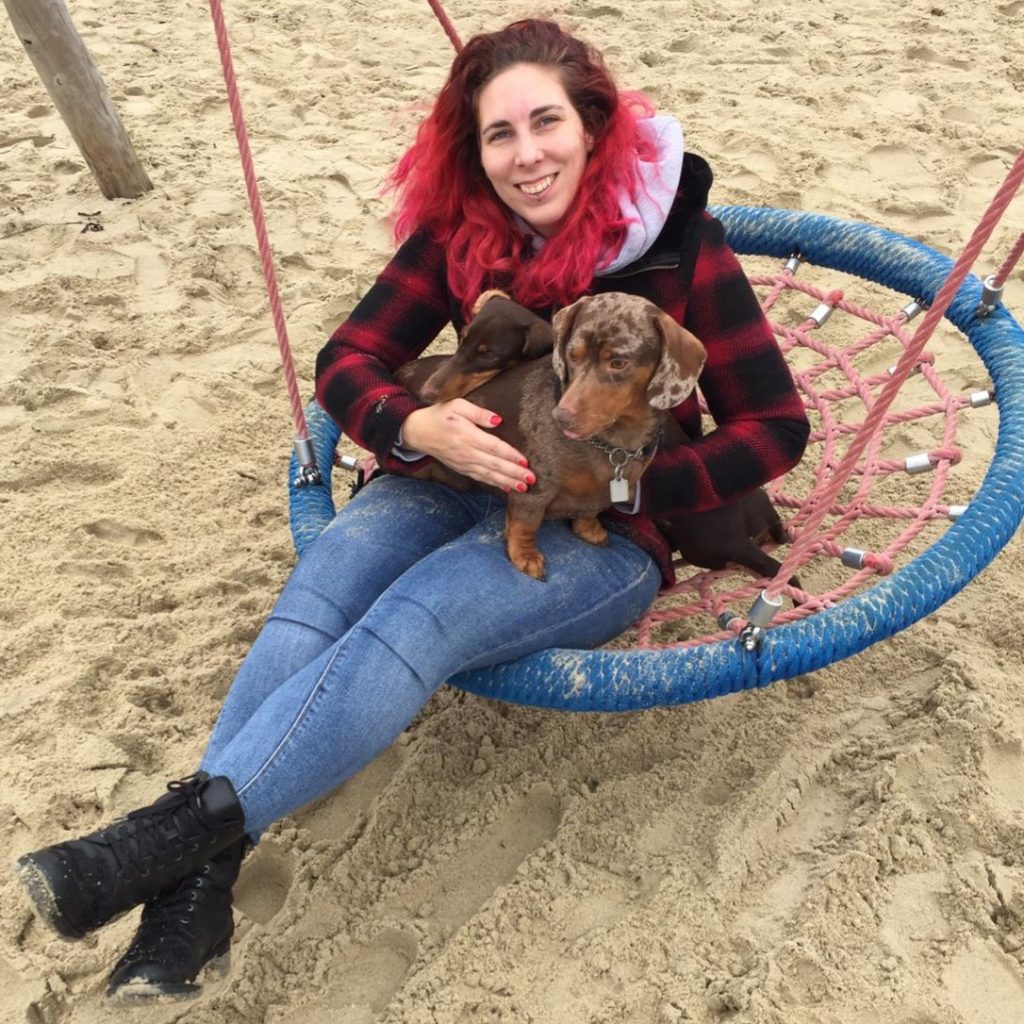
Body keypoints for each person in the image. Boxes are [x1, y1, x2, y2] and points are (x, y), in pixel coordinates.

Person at [13, 18, 809, 1005]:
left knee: (415, 616)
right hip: (443, 479)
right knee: (322, 592)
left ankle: (158, 846)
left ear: (593, 128)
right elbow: (345, 361)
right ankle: (200, 888)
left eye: (546, 123)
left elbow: (775, 426)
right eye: (499, 134)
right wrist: (414, 425)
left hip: (602, 532)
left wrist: (622, 487)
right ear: (474, 151)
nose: (526, 156)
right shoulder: (460, 236)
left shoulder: (676, 245)